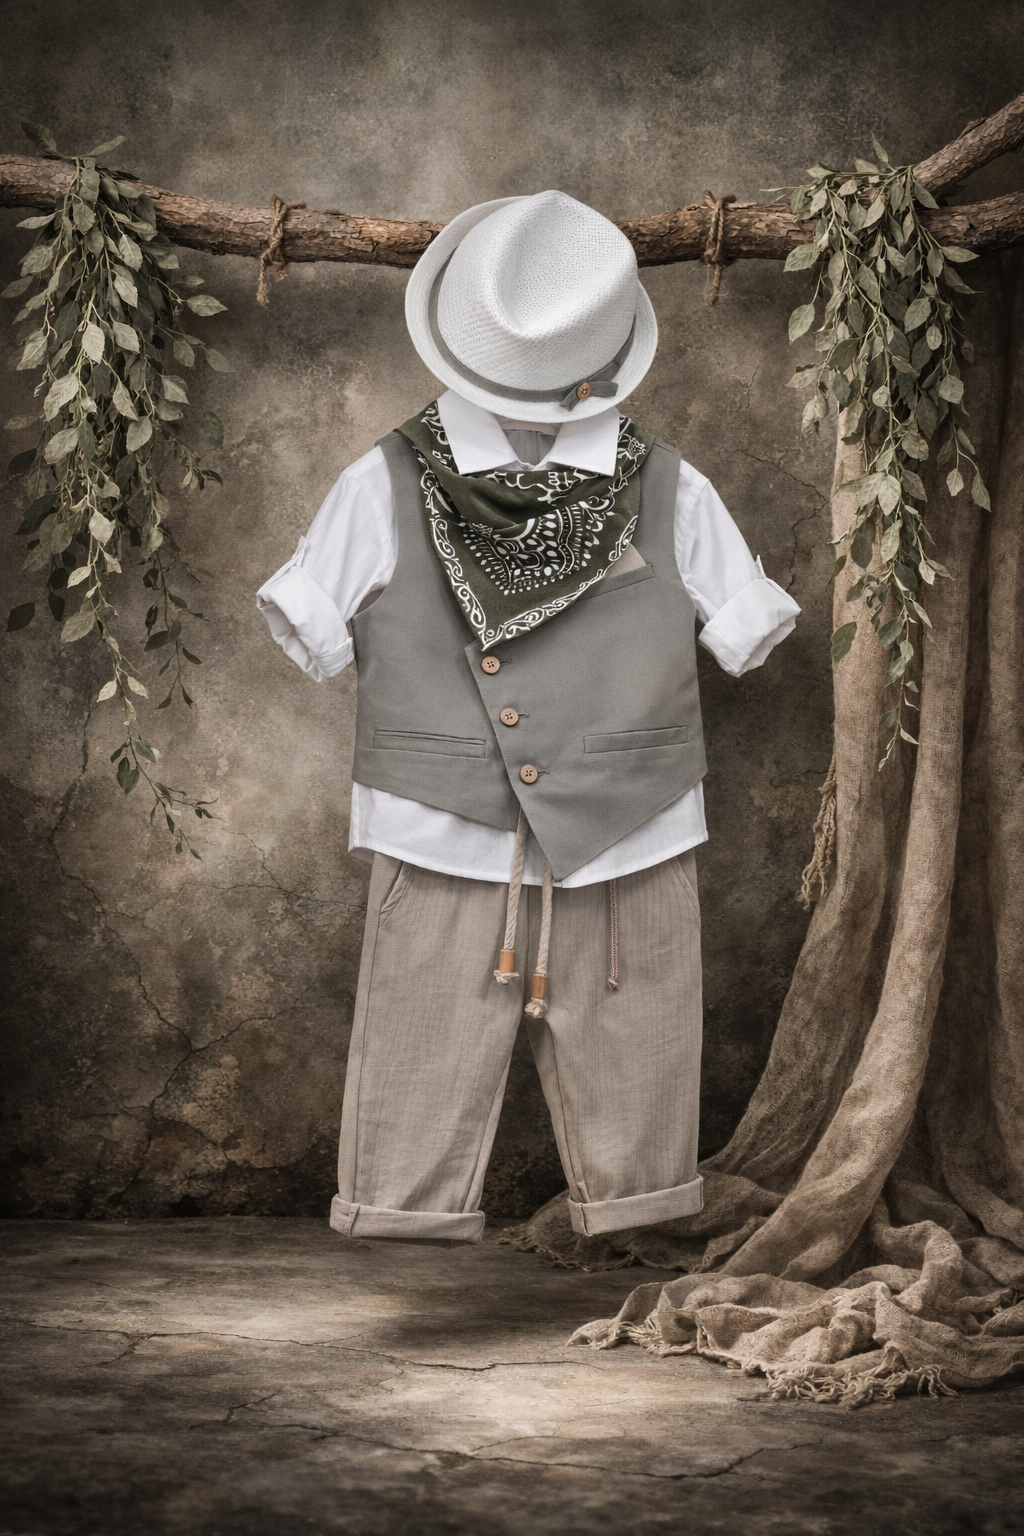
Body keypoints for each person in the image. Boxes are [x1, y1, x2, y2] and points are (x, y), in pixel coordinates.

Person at [257, 190, 800, 1247]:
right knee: (413, 1083)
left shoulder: (671, 488)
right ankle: (404, 1226)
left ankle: (635, 1214)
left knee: (641, 1087)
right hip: (445, 834)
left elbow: (746, 626)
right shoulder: (382, 482)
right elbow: (312, 620)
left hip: (628, 840)